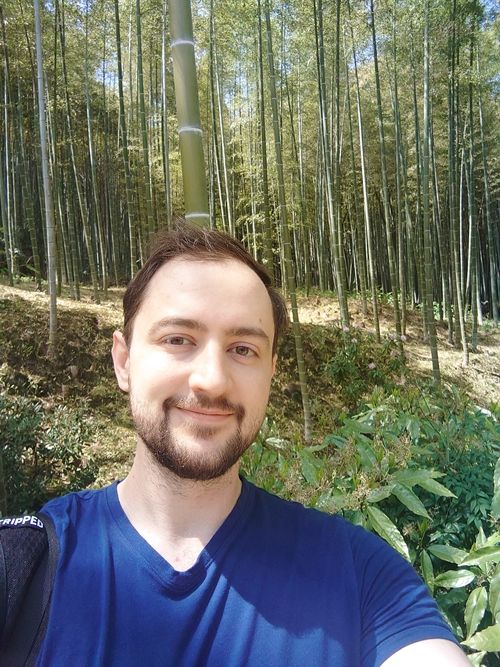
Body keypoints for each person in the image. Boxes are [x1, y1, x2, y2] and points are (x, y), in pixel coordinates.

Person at [34, 223, 468, 666]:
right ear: (124, 361)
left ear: (271, 371)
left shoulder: (361, 578)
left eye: (243, 349)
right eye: (178, 340)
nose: (212, 380)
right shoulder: (27, 566)